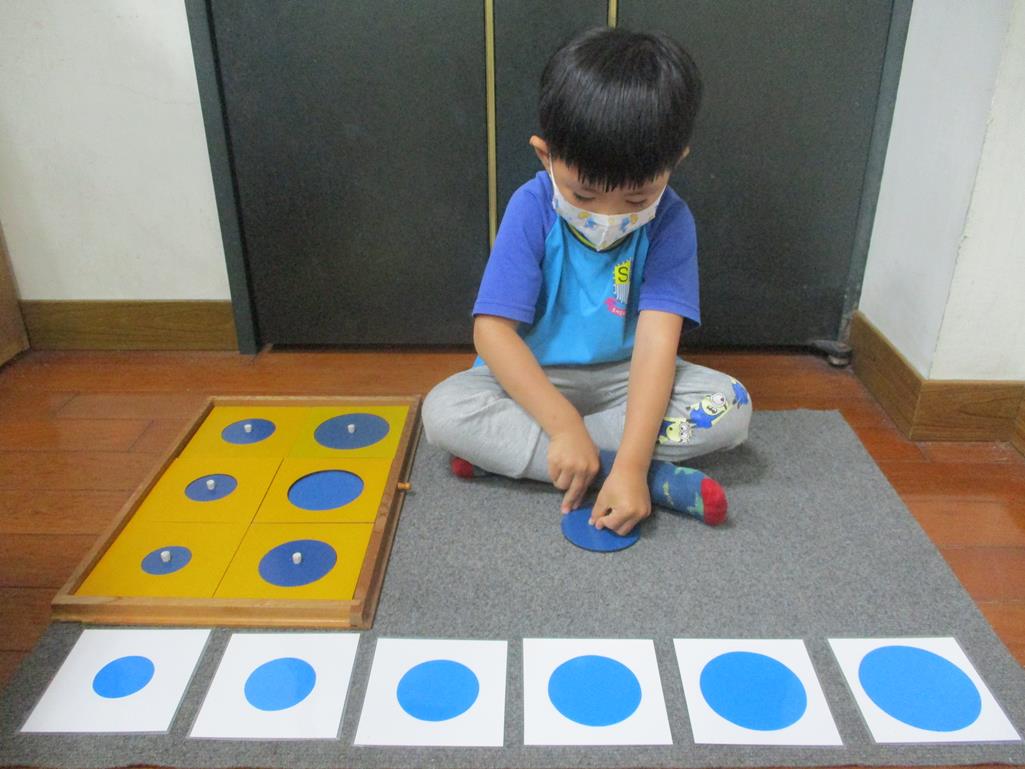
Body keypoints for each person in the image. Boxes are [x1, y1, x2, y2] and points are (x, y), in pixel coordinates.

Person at [421, 26, 751, 536]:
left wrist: (630, 462)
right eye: (584, 195)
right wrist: (562, 424)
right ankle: (634, 474)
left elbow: (656, 346)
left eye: (637, 198)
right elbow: (491, 332)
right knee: (443, 412)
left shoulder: (672, 221)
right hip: (536, 380)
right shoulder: (531, 207)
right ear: (545, 155)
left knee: (730, 407)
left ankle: (566, 462)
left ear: (676, 162)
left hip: (625, 381)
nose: (610, 215)